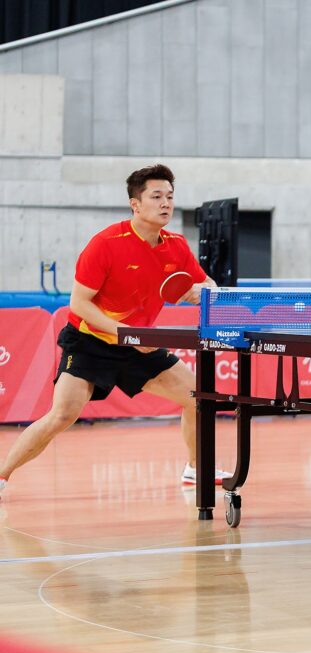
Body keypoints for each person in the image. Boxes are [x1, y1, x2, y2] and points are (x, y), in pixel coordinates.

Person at [0, 164, 232, 497]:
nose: (165, 203)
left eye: (169, 196)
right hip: (90, 341)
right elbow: (79, 304)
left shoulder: (176, 246)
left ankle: (196, 469)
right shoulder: (106, 243)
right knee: (62, 414)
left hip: (138, 343)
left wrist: (205, 291)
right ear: (135, 204)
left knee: (198, 397)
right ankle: (2, 474)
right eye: (156, 196)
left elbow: (205, 284)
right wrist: (127, 334)